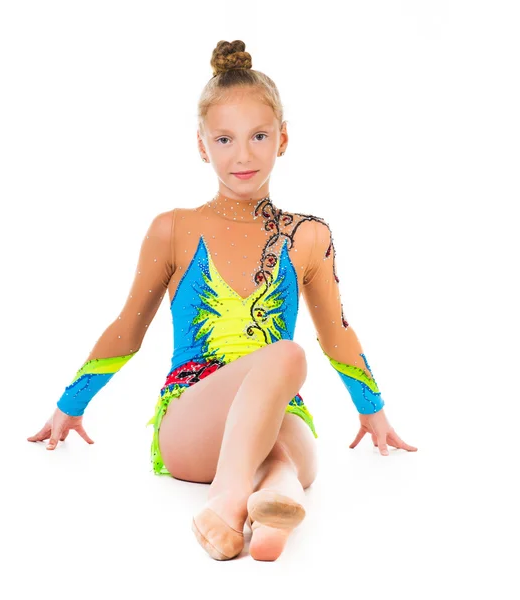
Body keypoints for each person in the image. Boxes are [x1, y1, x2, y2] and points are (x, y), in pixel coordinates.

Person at [28, 39, 417, 562]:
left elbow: (337, 332)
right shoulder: (174, 229)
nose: (243, 155)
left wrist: (374, 411)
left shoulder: (307, 235)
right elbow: (128, 327)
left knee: (290, 454)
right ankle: (230, 496)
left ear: (283, 139)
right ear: (201, 145)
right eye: (225, 139)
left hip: (282, 418)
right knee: (288, 355)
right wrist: (68, 405)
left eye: (258, 136)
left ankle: (273, 504)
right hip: (191, 422)